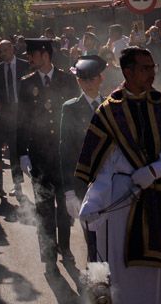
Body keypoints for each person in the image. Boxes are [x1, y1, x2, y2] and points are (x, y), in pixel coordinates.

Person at [71, 45, 161, 301]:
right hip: (126, 209)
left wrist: (154, 170)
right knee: (132, 284)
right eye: (145, 68)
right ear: (127, 71)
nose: (152, 73)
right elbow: (102, 168)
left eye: (153, 67)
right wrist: (93, 201)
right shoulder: (109, 111)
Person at [16, 36, 77, 261]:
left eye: (32, 54)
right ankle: (48, 253)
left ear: (45, 54)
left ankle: (66, 247)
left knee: (64, 204)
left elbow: (75, 118)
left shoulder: (67, 80)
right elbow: (21, 120)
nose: (29, 59)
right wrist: (22, 153)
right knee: (43, 206)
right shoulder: (26, 82)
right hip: (39, 155)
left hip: (63, 155)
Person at [56, 55, 107, 267]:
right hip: (83, 182)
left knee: (110, 237)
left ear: (101, 79)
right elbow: (65, 149)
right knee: (92, 237)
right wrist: (68, 191)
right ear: (78, 81)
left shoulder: (109, 105)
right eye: (84, 79)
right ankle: (97, 282)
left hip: (111, 181)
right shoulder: (70, 108)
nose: (88, 83)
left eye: (92, 78)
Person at [0, 39, 27, 198]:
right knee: (13, 150)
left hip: (26, 111)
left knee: (32, 147)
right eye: (1, 51)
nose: (3, 53)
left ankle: (40, 183)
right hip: (9, 112)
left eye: (6, 50)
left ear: (12, 49)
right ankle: (17, 185)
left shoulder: (25, 65)